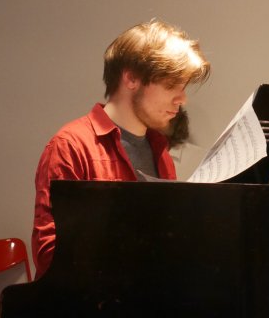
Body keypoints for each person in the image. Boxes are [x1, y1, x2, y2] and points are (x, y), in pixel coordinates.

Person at [31, 19, 210, 278]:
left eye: (184, 88)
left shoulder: (159, 150)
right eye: (172, 85)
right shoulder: (71, 145)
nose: (182, 99)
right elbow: (49, 256)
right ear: (131, 78)